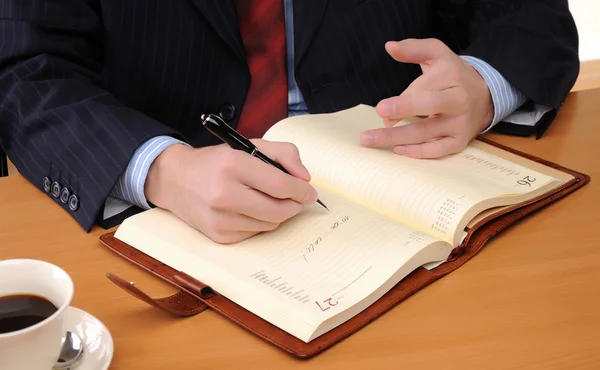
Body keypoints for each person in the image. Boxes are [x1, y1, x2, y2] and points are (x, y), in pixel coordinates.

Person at [0, 1, 579, 243]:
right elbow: (25, 70)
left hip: (410, 181)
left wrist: (483, 83)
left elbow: (529, 14)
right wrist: (156, 168)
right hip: (173, 221)